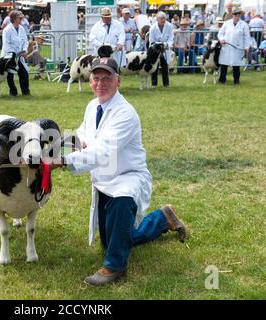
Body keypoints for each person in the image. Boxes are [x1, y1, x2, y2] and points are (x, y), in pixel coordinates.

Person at [50, 57, 188, 286]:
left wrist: (62, 161)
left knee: (121, 210)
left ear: (119, 81)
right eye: (96, 78)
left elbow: (104, 150)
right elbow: (86, 134)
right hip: (104, 179)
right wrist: (66, 141)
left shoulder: (125, 113)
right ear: (90, 80)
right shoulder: (93, 105)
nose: (100, 83)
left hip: (127, 177)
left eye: (107, 78)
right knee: (114, 239)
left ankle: (114, 267)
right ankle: (162, 218)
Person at [218, 4, 251, 85]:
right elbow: (220, 33)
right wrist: (221, 39)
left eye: (238, 14)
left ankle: (236, 81)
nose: (236, 16)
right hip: (227, 46)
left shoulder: (244, 25)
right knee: (224, 64)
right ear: (232, 15)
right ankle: (222, 80)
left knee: (236, 65)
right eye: (235, 14)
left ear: (240, 15)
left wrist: (247, 47)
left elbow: (247, 37)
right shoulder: (226, 23)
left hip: (238, 47)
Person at [1, 10, 30, 97]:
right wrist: (13, 55)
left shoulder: (21, 28)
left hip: (19, 55)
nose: (21, 19)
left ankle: (25, 92)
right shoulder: (7, 30)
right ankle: (13, 92)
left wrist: (24, 50)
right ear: (14, 19)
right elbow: (6, 44)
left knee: (24, 73)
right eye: (19, 18)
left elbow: (25, 40)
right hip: (9, 55)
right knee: (10, 74)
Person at [149, 11, 174, 87]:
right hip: (155, 49)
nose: (163, 20)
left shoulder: (169, 26)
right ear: (157, 19)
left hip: (165, 48)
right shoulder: (153, 28)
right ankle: (154, 83)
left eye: (164, 18)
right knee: (154, 66)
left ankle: (166, 83)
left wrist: (166, 45)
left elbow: (171, 37)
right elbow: (151, 40)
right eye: (161, 18)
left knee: (165, 66)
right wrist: (159, 47)